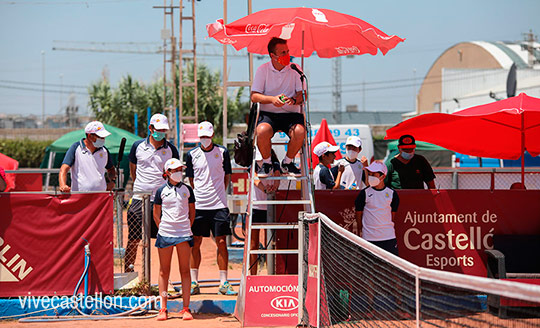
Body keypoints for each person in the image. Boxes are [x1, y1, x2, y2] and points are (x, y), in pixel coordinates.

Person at [185, 121, 236, 295]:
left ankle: (223, 282)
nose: (204, 139)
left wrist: (218, 193)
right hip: (199, 206)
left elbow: (227, 176)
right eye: (202, 137)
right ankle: (194, 282)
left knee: (221, 242)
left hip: (219, 205)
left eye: (207, 136)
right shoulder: (191, 154)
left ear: (212, 135)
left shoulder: (222, 152)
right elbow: (192, 180)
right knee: (195, 243)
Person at [126, 113, 179, 272]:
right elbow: (133, 170)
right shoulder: (137, 146)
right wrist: (141, 187)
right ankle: (129, 275)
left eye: (164, 130)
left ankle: (165, 277)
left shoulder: (171, 150)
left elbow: (174, 174)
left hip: (162, 202)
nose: (162, 133)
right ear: (150, 129)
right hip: (139, 200)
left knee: (164, 240)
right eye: (159, 129)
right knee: (134, 239)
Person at [251, 37, 305, 177]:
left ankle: (287, 162)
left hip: (291, 115)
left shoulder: (295, 69)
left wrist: (293, 100)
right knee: (262, 131)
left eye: (287, 51)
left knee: (299, 131)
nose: (287, 55)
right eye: (283, 53)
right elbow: (254, 96)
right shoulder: (262, 70)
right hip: (268, 114)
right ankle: (267, 163)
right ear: (272, 55)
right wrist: (272, 100)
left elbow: (303, 95)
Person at [154, 158, 195, 321]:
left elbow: (192, 212)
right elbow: (156, 214)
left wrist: (186, 227)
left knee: (185, 270)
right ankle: (163, 308)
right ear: (168, 172)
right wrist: (163, 228)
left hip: (184, 234)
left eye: (181, 169)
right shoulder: (160, 191)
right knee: (164, 271)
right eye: (176, 169)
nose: (179, 172)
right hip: (165, 234)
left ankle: (186, 308)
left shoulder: (187, 190)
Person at [355, 162, 400, 256]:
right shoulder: (364, 193)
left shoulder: (392, 194)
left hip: (389, 238)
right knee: (368, 268)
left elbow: (392, 215)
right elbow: (358, 214)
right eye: (370, 173)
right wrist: (361, 231)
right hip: (369, 239)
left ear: (383, 176)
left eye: (374, 174)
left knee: (391, 268)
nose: (371, 176)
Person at [249, 148, 281, 275]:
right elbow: (255, 179)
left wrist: (274, 186)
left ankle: (270, 275)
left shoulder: (275, 163)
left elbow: (278, 176)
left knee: (270, 243)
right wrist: (265, 189)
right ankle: (253, 275)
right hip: (256, 206)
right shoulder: (253, 163)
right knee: (253, 244)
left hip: (270, 206)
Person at [59, 121, 116, 192]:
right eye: (100, 137)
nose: (103, 139)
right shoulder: (76, 148)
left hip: (101, 196)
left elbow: (111, 169)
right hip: (80, 196)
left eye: (103, 137)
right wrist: (63, 185)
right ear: (89, 136)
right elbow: (64, 169)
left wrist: (112, 181)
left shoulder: (104, 151)